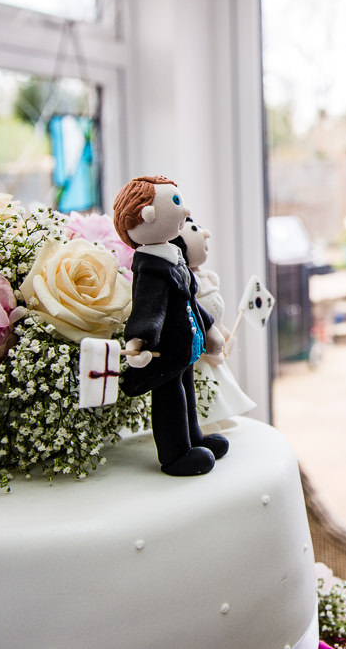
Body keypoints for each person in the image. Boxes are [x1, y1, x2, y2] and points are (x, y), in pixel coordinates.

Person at [113, 175, 230, 476]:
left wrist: (210, 330)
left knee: (187, 392)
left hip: (183, 349)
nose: (185, 209)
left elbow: (189, 300)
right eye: (176, 202)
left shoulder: (174, 255)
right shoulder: (150, 266)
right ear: (146, 214)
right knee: (170, 399)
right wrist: (138, 341)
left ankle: (194, 438)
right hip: (164, 351)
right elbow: (147, 309)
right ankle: (175, 454)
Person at [173, 216, 257, 425]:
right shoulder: (185, 283)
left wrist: (223, 333)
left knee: (221, 387)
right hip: (199, 354)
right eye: (194, 230)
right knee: (200, 391)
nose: (205, 234)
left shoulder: (209, 278)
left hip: (215, 344)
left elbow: (214, 316)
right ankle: (202, 425)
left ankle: (219, 422)